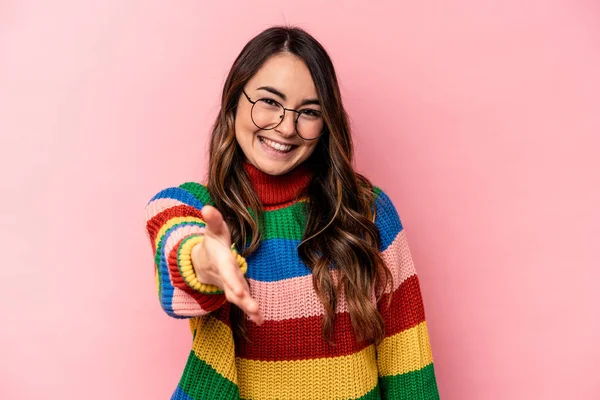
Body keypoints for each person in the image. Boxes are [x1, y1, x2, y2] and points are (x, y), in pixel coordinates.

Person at [145, 26, 439, 400]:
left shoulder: (368, 212)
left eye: (309, 111)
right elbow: (177, 246)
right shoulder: (197, 208)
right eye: (269, 101)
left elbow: (408, 362)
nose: (286, 127)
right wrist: (204, 260)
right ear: (234, 101)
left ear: (326, 123)